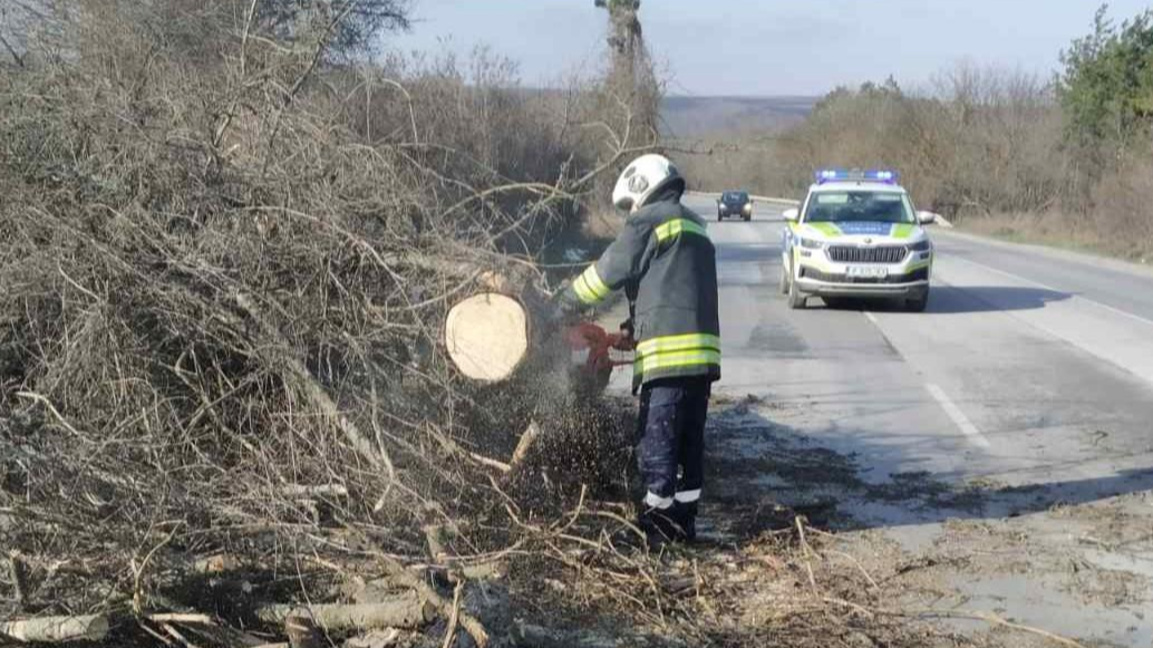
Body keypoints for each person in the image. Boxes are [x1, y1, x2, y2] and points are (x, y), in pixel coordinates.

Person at [554, 153, 721, 544]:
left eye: (630, 204)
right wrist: (633, 329)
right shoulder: (695, 227)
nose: (632, 212)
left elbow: (610, 270)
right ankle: (683, 523)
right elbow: (673, 288)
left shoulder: (651, 220)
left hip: (669, 360)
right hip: (702, 359)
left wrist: (560, 305)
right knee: (687, 444)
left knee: (656, 442)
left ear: (642, 186)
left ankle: (653, 528)